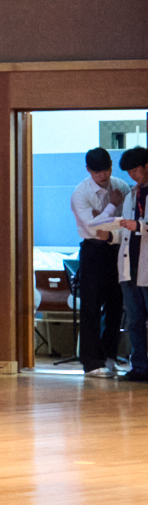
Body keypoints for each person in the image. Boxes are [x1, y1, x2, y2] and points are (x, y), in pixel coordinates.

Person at [71, 147, 132, 377]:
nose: (103, 175)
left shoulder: (122, 186)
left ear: (111, 166)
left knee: (116, 304)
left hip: (118, 248)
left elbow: (127, 223)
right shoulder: (81, 193)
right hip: (93, 251)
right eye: (97, 172)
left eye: (106, 170)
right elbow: (92, 228)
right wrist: (110, 209)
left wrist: (104, 221)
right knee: (91, 306)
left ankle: (109, 357)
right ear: (88, 170)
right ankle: (92, 362)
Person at [120, 147, 148, 383]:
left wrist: (139, 226)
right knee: (134, 320)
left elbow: (138, 225)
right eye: (129, 172)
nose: (133, 176)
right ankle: (139, 367)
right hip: (131, 265)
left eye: (136, 171)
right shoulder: (132, 194)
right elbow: (125, 228)